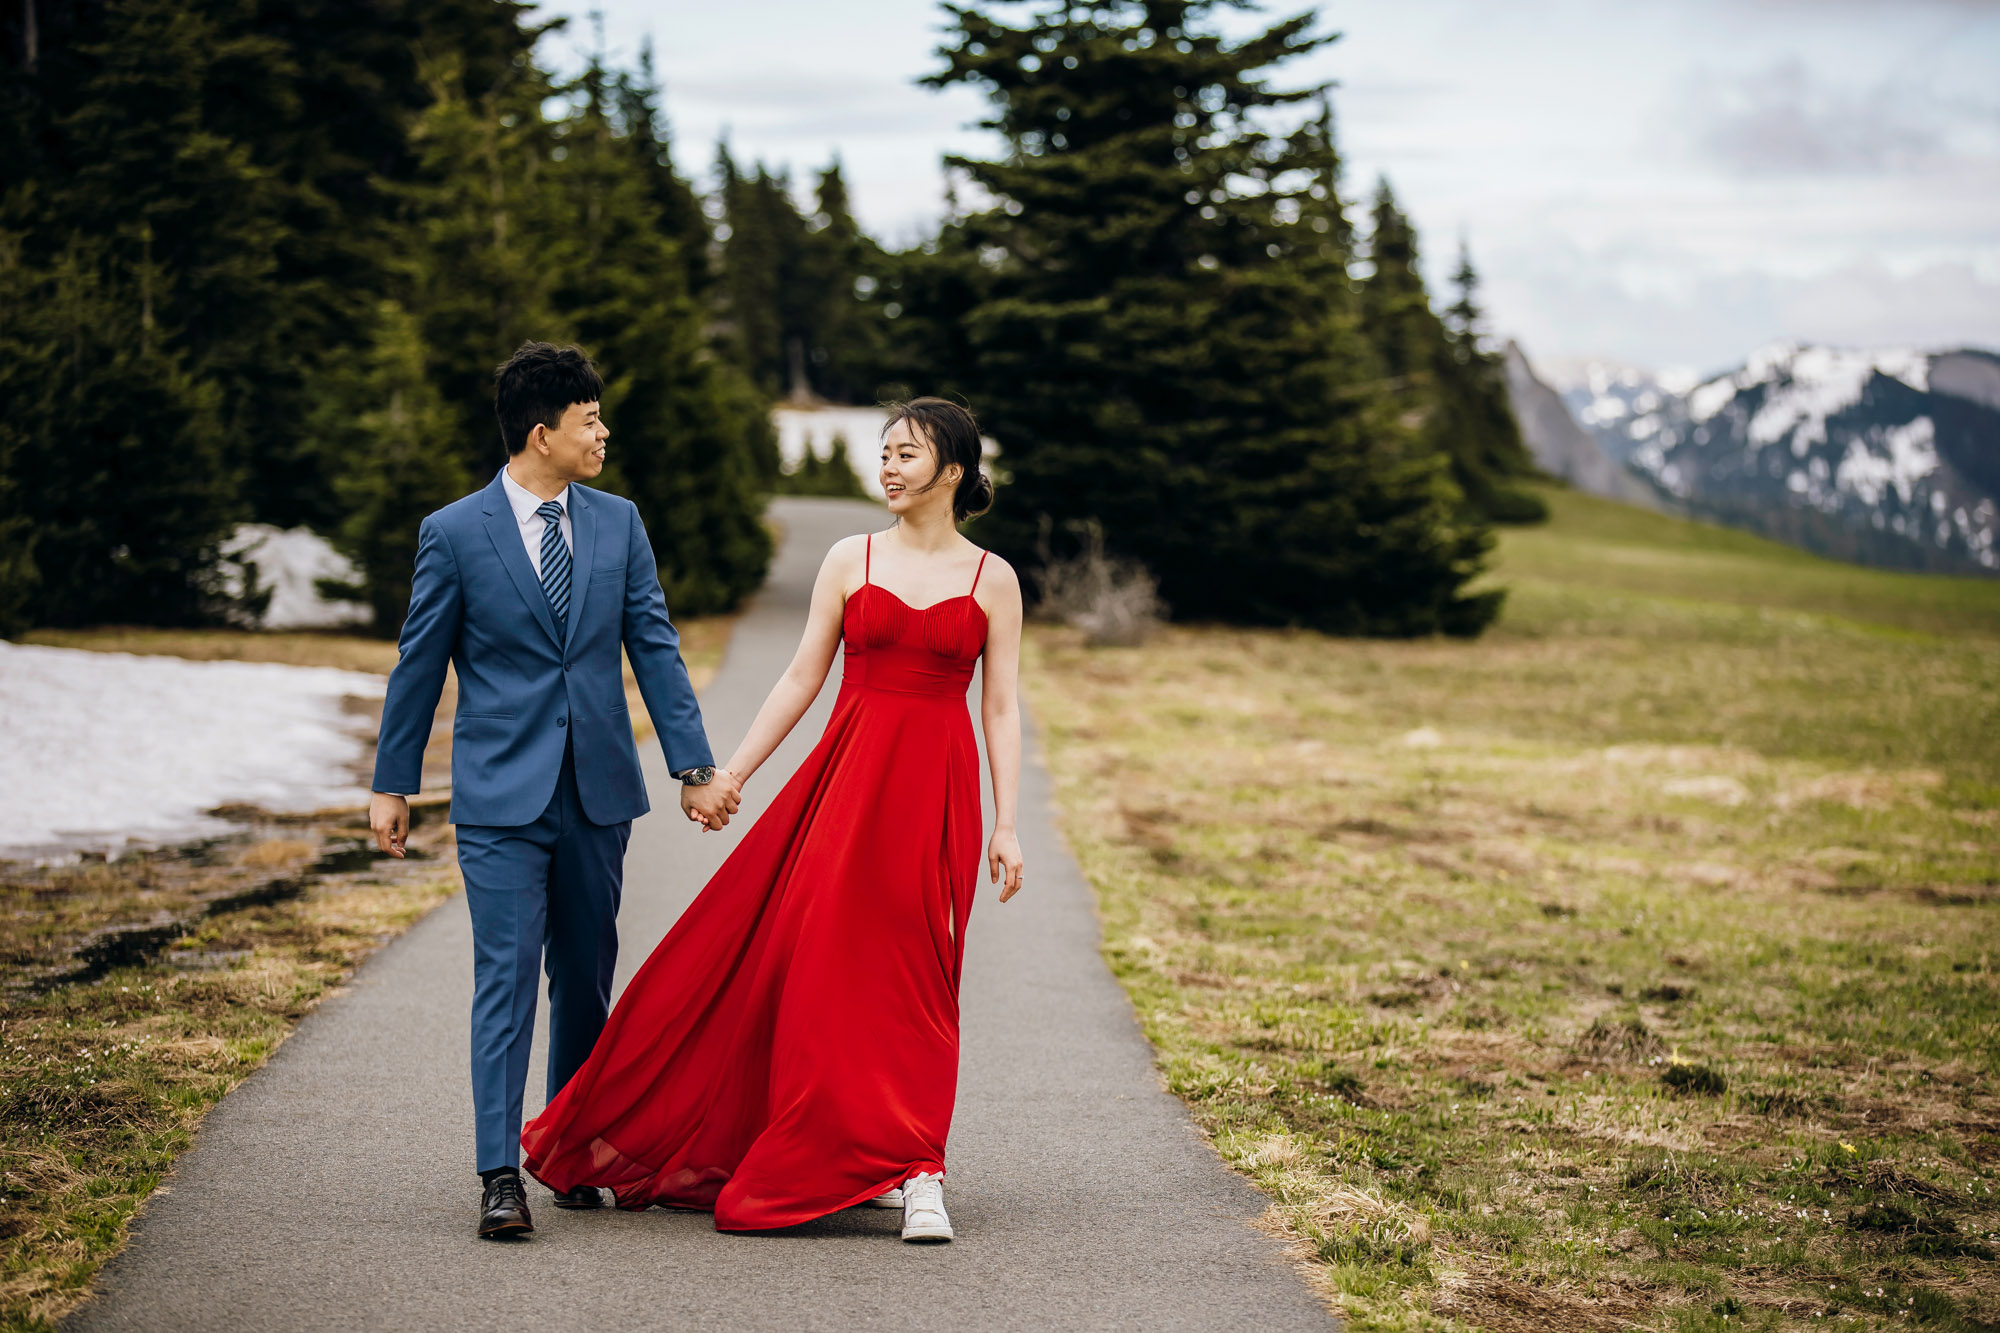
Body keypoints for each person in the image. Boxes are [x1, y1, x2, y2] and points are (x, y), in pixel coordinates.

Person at [522, 397, 1026, 1244]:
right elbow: (801, 678)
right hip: (844, 791)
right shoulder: (848, 557)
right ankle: (854, 1152)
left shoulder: (992, 578)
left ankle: (919, 1167)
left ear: (951, 470)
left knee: (920, 982)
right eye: (884, 453)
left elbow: (1002, 708)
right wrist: (733, 773)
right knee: (823, 977)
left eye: (907, 454)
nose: (889, 467)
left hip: (936, 800)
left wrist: (1007, 824)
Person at [367, 342, 741, 1239]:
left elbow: (654, 645)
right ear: (543, 434)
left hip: (598, 793)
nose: (603, 431)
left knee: (584, 975)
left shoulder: (618, 524)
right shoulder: (453, 533)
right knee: (505, 978)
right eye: (588, 420)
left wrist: (693, 768)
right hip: (500, 797)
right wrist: (393, 782)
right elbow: (419, 666)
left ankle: (566, 1146)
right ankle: (500, 1172)